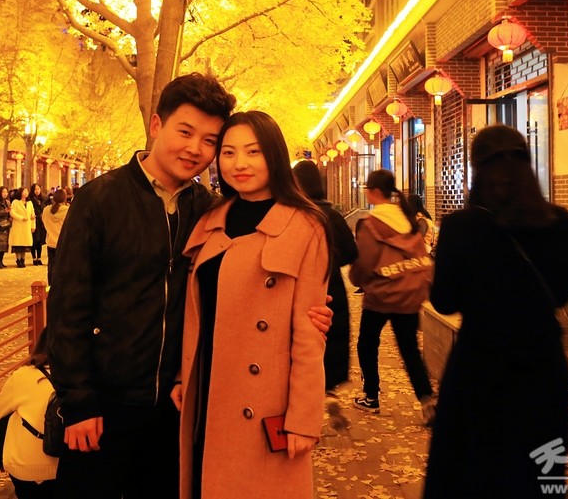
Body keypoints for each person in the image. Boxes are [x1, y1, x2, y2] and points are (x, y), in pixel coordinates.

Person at [47, 74, 332, 499]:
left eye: (209, 141)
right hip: (106, 401)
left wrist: (309, 314)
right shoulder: (100, 199)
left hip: (178, 407)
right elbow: (68, 306)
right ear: (156, 125)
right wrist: (78, 401)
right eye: (185, 132)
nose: (195, 149)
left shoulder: (207, 210)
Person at [177, 111, 330, 499]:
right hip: (207, 388)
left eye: (253, 151)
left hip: (263, 401)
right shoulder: (210, 220)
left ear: (274, 155)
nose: (239, 164)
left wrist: (303, 419)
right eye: (228, 153)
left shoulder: (305, 226)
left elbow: (309, 334)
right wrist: (182, 377)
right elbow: (195, 313)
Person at [422, 126, 568, 499]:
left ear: (477, 168)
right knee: (536, 477)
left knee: (469, 476)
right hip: (542, 372)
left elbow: (445, 301)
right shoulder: (560, 224)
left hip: (478, 370)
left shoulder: (461, 227)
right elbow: (560, 295)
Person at [348, 169, 436, 425]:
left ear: (375, 191)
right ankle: (427, 399)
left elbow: (364, 262)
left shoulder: (371, 223)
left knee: (367, 343)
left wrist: (356, 279)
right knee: (409, 349)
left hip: (381, 294)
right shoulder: (407, 218)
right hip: (409, 292)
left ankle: (371, 396)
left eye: (367, 188)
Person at [292, 159, 358, 418]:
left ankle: (307, 395)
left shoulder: (296, 215)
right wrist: (331, 261)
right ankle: (329, 390)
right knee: (333, 335)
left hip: (301, 287)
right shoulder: (332, 215)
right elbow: (351, 251)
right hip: (332, 284)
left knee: (306, 335)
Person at [0, 329, 58, 498]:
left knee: (12, 415)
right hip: (73, 464)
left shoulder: (23, 376)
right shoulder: (86, 378)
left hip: (26, 467)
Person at [41, 189, 68, 285]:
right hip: (63, 242)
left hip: (51, 241)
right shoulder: (67, 210)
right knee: (63, 265)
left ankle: (51, 285)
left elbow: (44, 221)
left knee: (51, 265)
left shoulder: (46, 210)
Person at [9, 187, 35, 268]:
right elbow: (12, 213)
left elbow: (32, 214)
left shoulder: (30, 203)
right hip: (18, 226)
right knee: (18, 245)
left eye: (27, 191)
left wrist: (33, 226)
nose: (26, 193)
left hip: (27, 226)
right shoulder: (15, 202)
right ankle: (18, 260)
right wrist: (21, 218)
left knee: (24, 245)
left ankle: (23, 260)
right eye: (24, 191)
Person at [29, 184, 46, 266]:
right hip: (33, 221)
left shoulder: (43, 199)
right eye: (35, 189)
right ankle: (34, 258)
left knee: (40, 241)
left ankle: (39, 258)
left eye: (38, 189)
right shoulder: (30, 200)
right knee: (34, 240)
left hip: (41, 222)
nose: (37, 191)